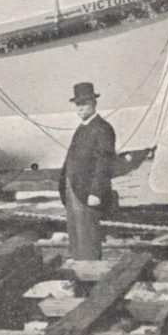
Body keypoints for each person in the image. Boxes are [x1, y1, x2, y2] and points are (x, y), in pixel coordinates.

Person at [58, 82, 116, 260]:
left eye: (84, 104)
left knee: (88, 239)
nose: (80, 108)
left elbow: (104, 163)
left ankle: (89, 274)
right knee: (75, 236)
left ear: (94, 103)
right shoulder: (82, 128)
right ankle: (78, 274)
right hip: (73, 191)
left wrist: (96, 192)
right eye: (77, 104)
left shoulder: (103, 128)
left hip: (86, 193)